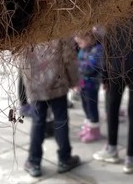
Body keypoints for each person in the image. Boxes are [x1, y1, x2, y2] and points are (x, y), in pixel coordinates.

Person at [93, 8, 133, 174]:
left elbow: (106, 48)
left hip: (116, 71)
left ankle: (112, 149)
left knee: (112, 109)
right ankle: (130, 159)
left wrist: (105, 76)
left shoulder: (113, 16)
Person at [19, 37, 81, 178]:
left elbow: (20, 56)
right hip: (57, 82)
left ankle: (34, 163)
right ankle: (64, 159)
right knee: (61, 120)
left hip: (36, 83)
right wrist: (73, 80)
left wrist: (27, 82)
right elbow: (69, 55)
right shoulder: (58, 24)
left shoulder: (26, 23)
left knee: (38, 121)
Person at [74, 30, 104, 143]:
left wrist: (75, 66)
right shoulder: (84, 48)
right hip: (82, 84)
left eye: (80, 42)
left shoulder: (97, 49)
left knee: (91, 106)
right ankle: (88, 126)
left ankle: (94, 130)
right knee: (85, 105)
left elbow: (90, 67)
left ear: (88, 39)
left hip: (91, 85)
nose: (78, 45)